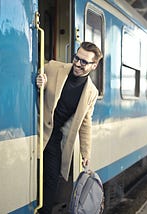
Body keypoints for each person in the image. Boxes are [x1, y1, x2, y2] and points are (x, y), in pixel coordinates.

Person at [36, 42, 103, 214]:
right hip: (35, 129)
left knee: (52, 178)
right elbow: (32, 74)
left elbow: (86, 123)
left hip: (54, 136)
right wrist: (38, 81)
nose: (78, 64)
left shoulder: (91, 92)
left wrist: (85, 152)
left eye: (84, 62)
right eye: (76, 58)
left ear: (94, 66)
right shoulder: (53, 67)